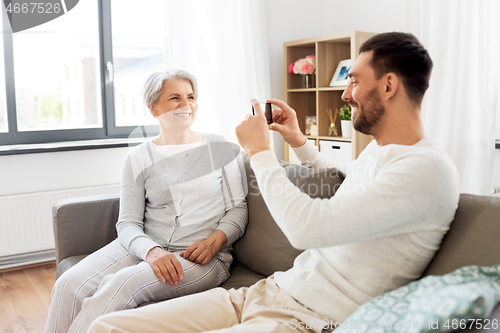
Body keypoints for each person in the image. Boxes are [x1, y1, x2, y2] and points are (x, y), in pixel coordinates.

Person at [88, 32, 459, 333]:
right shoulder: (382, 153)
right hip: (268, 292)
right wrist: (297, 139)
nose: (346, 94)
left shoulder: (426, 170)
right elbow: (341, 173)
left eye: (355, 82)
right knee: (107, 327)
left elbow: (306, 229)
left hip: (310, 318)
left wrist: (260, 152)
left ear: (389, 85)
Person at [45, 69, 248, 333]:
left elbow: (238, 209)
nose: (186, 105)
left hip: (202, 258)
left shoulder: (220, 147)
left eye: (191, 97)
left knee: (120, 284)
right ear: (153, 108)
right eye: (174, 98)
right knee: (68, 283)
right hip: (146, 247)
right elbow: (128, 223)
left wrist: (214, 241)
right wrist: (152, 252)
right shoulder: (138, 158)